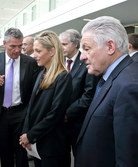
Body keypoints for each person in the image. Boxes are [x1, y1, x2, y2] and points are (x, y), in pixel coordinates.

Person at [75, 16, 138, 167]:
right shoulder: (112, 77)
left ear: (110, 47)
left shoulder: (129, 86)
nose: (82, 57)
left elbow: (128, 158)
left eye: (87, 49)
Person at [0, 28, 40, 167]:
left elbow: (33, 91)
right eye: (13, 46)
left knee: (21, 153)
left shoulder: (30, 62)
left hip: (21, 114)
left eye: (20, 46)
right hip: (0, 114)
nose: (17, 50)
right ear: (4, 44)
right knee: (4, 153)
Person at [19, 30, 73, 167]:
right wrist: (26, 132)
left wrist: (31, 135)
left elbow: (55, 113)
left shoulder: (63, 77)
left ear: (52, 51)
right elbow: (31, 106)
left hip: (52, 145)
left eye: (38, 51)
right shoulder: (42, 72)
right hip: (38, 141)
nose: (34, 55)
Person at [59, 29, 99, 167]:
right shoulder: (59, 62)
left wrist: (68, 113)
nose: (61, 48)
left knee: (79, 157)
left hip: (78, 121)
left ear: (76, 44)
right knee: (61, 156)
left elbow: (89, 94)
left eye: (64, 44)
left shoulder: (86, 62)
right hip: (58, 122)